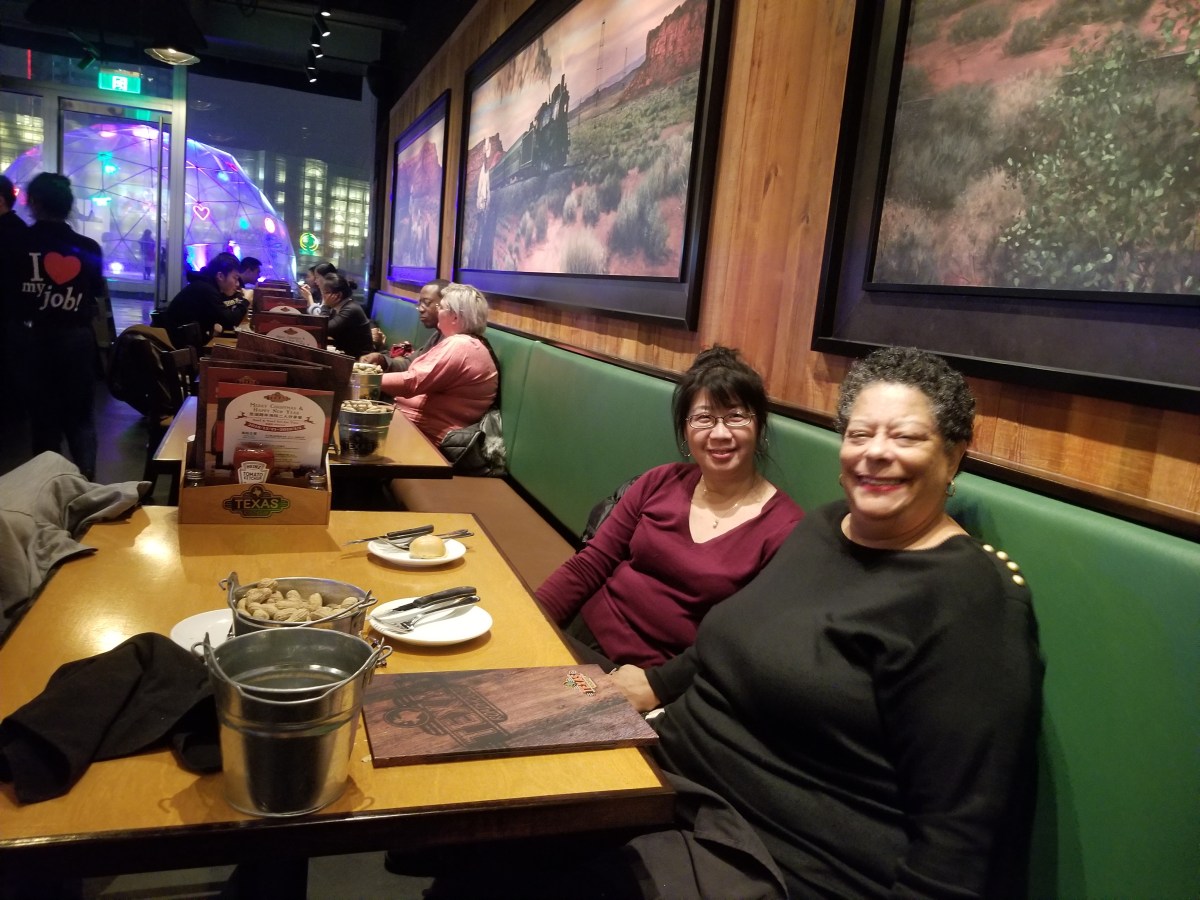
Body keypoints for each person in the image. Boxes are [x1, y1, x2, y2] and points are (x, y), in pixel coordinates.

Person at [594, 346, 1044, 898]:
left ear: (954, 456)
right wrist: (655, 684)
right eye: (859, 434)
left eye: (905, 437)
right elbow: (741, 635)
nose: (875, 453)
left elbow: (961, 842)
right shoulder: (825, 526)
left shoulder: (973, 602)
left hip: (773, 859)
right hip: (669, 778)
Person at [535, 346, 803, 669]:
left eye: (735, 416)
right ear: (685, 430)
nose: (720, 433)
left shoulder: (784, 529)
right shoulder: (660, 481)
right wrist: (530, 619)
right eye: (703, 418)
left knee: (564, 698)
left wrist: (657, 686)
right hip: (581, 635)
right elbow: (589, 565)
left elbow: (746, 646)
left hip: (653, 678)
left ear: (759, 426)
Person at [11, 173, 106, 480]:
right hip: (78, 341)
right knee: (80, 420)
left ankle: (47, 488)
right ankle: (87, 484)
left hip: (35, 339)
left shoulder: (17, 244)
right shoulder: (88, 247)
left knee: (44, 423)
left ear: (34, 203)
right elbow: (96, 294)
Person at [379, 282, 497, 444]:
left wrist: (365, 378)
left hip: (428, 440)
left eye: (441, 307)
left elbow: (411, 382)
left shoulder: (461, 346)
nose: (438, 312)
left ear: (455, 317)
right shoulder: (460, 342)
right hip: (412, 427)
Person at [161, 252, 248, 351]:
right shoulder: (206, 290)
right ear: (220, 276)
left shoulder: (206, 285)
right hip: (179, 349)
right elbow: (229, 321)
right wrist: (245, 301)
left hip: (185, 344)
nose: (237, 284)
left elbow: (223, 318)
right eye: (235, 278)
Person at [359, 279, 447, 373]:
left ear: (446, 304)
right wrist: (382, 360)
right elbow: (409, 363)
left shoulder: (453, 341)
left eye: (427, 303)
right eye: (420, 303)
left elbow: (423, 376)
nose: (420, 309)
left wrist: (382, 379)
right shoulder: (437, 334)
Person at [319, 271, 373, 358]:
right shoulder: (339, 307)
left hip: (361, 359)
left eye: (326, 293)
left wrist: (325, 306)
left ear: (338, 295)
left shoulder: (351, 309)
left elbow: (324, 329)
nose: (323, 296)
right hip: (346, 354)